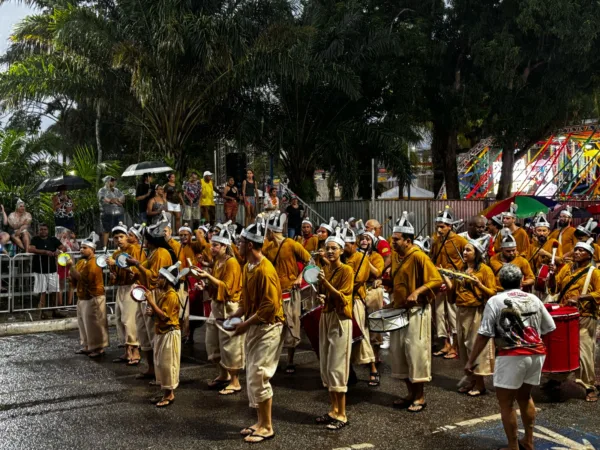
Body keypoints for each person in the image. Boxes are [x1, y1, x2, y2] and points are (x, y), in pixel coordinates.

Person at [465, 264, 556, 450]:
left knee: (506, 403)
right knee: (525, 397)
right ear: (521, 281)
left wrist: (471, 360)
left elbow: (484, 334)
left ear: (500, 282)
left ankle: (513, 447)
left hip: (511, 355)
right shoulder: (533, 299)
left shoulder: (496, 301)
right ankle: (528, 442)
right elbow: (549, 327)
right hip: (536, 352)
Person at [230, 220, 284, 444]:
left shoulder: (266, 269)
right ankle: (260, 422)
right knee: (252, 375)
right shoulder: (247, 266)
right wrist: (234, 317)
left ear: (250, 245)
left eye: (241, 242)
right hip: (255, 325)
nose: (238, 245)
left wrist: (244, 324)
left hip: (268, 327)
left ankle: (267, 427)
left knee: (260, 375)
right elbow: (246, 300)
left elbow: (269, 307)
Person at [387, 212, 443, 412]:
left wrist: (417, 292)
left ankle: (420, 397)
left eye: (396, 239)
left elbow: (436, 280)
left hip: (417, 311)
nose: (392, 242)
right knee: (400, 353)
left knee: (416, 353)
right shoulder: (395, 256)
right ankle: (410, 393)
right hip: (399, 310)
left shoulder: (419, 256)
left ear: (408, 241)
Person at [441, 236, 496, 397]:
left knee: (474, 346)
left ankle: (480, 384)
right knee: (463, 347)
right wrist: (447, 278)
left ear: (477, 253)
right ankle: (471, 381)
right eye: (464, 249)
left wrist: (479, 285)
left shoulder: (485, 270)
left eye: (468, 250)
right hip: (461, 311)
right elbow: (453, 295)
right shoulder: (462, 270)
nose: (464, 253)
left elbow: (493, 293)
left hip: (476, 312)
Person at [193, 227, 244, 395]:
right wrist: (205, 284)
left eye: (215, 245)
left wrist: (207, 277)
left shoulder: (232, 262)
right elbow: (216, 284)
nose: (212, 248)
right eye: (212, 245)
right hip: (216, 306)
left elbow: (227, 288)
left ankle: (235, 381)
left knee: (231, 346)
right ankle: (223, 375)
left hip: (229, 308)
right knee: (212, 344)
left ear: (224, 247)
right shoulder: (217, 262)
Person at [548, 238, 600, 402]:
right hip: (565, 316)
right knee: (560, 349)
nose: (576, 252)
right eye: (576, 250)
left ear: (589, 255)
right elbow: (554, 288)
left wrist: (580, 297)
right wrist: (552, 274)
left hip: (584, 317)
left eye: (581, 250)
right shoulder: (567, 268)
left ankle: (589, 386)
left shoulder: (595, 272)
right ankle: (556, 380)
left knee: (583, 352)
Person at [313, 227, 354, 430]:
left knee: (337, 366)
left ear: (341, 251)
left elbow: (342, 297)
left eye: (334, 248)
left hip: (340, 319)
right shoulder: (326, 269)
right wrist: (322, 294)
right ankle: (333, 410)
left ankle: (342, 414)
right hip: (327, 316)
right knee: (327, 366)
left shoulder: (346, 270)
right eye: (327, 248)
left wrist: (326, 284)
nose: (329, 252)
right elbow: (328, 295)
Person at [263, 212, 311, 374]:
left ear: (271, 231)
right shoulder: (267, 247)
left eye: (266, 231)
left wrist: (299, 277)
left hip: (291, 291)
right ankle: (273, 361)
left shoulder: (291, 243)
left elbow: (310, 261)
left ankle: (290, 361)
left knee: (291, 326)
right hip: (274, 293)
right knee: (274, 327)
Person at [128, 215, 174, 381]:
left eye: (147, 239)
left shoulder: (161, 253)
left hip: (155, 294)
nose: (144, 242)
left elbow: (154, 277)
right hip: (145, 294)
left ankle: (160, 373)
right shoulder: (153, 253)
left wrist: (137, 265)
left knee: (154, 334)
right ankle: (151, 368)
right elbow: (143, 268)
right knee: (143, 332)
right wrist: (132, 268)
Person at [343, 225, 379, 386]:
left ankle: (372, 368)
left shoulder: (362, 258)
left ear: (353, 244)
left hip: (356, 299)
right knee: (344, 337)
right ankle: (349, 371)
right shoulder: (340, 258)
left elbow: (358, 281)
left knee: (359, 334)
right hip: (341, 301)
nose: (343, 248)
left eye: (346, 244)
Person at [430, 206, 468, 359]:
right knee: (439, 314)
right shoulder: (435, 240)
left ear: (450, 226)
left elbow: (467, 260)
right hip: (439, 280)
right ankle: (445, 344)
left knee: (453, 314)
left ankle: (456, 346)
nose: (439, 229)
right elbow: (432, 258)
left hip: (454, 281)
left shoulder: (460, 241)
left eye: (442, 227)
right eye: (438, 226)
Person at [106, 222, 144, 366]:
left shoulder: (134, 249)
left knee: (130, 320)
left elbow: (136, 270)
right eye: (116, 238)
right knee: (120, 318)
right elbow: (114, 276)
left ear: (127, 237)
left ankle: (136, 351)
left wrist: (115, 263)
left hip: (132, 286)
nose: (119, 240)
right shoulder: (116, 253)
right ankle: (127, 350)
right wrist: (113, 274)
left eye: (121, 236)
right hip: (121, 288)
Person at [146, 262, 183, 407]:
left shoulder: (172, 295)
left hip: (170, 333)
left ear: (167, 280)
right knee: (160, 364)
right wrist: (152, 312)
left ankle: (170, 395)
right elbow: (158, 315)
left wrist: (151, 303)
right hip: (161, 332)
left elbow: (164, 316)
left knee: (168, 365)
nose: (157, 279)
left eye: (161, 277)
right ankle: (165, 392)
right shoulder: (164, 294)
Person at [68, 239, 109, 358]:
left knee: (94, 324)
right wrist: (71, 277)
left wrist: (71, 267)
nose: (81, 250)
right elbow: (75, 277)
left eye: (85, 248)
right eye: (81, 247)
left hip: (93, 296)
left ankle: (98, 347)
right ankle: (87, 345)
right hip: (82, 296)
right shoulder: (81, 262)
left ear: (92, 250)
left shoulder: (95, 262)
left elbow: (83, 279)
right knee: (84, 323)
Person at [359, 230, 386, 363]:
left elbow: (377, 272)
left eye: (367, 239)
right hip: (360, 289)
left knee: (375, 321)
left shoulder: (376, 256)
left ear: (373, 242)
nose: (364, 241)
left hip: (372, 290)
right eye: (362, 239)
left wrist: (364, 259)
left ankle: (375, 353)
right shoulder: (355, 255)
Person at [28, 223, 65, 319]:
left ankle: (55, 310)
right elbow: (30, 249)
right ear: (38, 231)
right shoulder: (35, 239)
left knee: (54, 291)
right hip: (40, 270)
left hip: (52, 269)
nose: (43, 231)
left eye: (45, 229)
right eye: (41, 229)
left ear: (48, 230)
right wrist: (44, 252)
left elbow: (63, 247)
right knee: (42, 291)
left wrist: (59, 252)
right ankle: (42, 312)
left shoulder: (53, 239)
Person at [528, 213, 563, 298]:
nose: (542, 233)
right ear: (535, 231)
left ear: (548, 232)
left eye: (544, 231)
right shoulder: (532, 245)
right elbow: (528, 263)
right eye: (539, 230)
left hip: (550, 279)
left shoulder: (554, 242)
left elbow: (561, 260)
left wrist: (546, 254)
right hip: (536, 280)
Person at [97, 176, 125, 249]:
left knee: (118, 229)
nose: (113, 182)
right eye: (112, 181)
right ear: (107, 181)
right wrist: (114, 201)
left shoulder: (117, 190)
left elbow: (122, 199)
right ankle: (105, 247)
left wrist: (115, 200)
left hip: (118, 213)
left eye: (114, 181)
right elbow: (104, 199)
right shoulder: (102, 190)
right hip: (106, 213)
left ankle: (118, 246)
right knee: (106, 230)